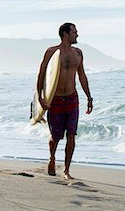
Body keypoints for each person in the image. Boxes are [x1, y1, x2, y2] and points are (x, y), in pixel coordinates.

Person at [36, 23, 93, 179]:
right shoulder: (51, 52)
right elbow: (42, 75)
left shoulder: (78, 53)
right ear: (65, 34)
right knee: (55, 136)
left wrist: (89, 96)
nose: (77, 35)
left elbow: (82, 76)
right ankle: (52, 158)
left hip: (72, 98)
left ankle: (67, 170)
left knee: (72, 134)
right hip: (55, 99)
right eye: (74, 32)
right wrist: (40, 97)